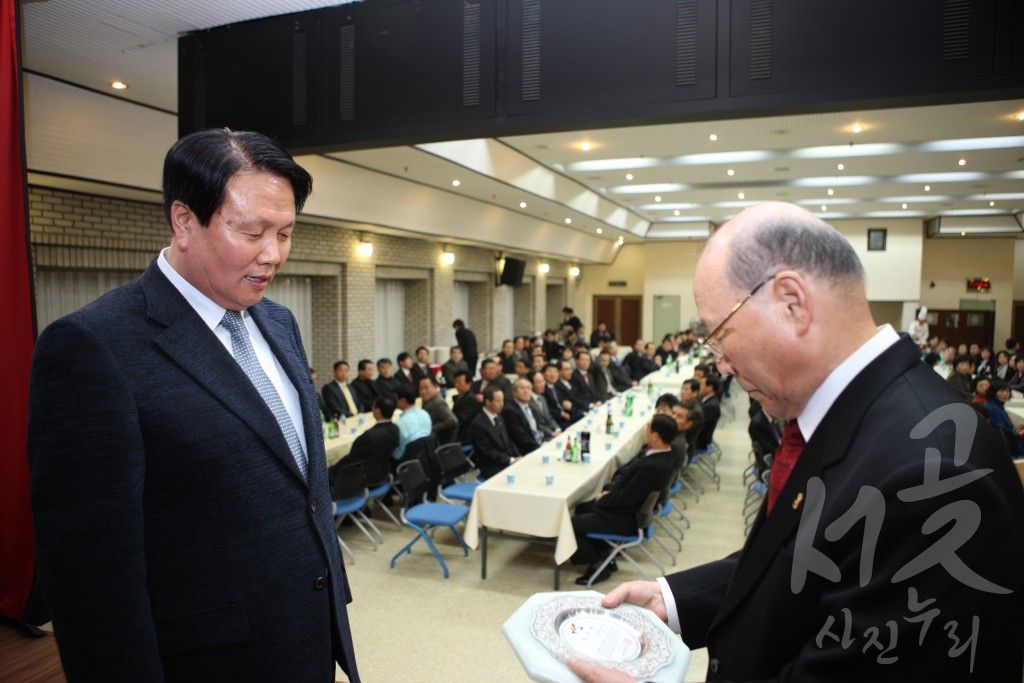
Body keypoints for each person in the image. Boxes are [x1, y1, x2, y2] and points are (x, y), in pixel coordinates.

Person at [569, 202, 1024, 683]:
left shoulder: (933, 472)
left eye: (719, 334)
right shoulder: (847, 415)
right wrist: (674, 598)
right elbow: (798, 560)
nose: (720, 363)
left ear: (792, 303)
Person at [27, 129, 360, 681]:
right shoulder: (92, 347)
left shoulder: (278, 322)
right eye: (251, 232)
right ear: (184, 221)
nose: (273, 255)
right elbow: (91, 578)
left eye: (285, 233)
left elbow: (298, 487)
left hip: (306, 637)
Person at [569, 414, 678, 586]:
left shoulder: (652, 466)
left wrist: (602, 499)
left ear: (656, 435)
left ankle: (597, 564)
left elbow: (625, 499)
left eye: (648, 428)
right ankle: (606, 554)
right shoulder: (665, 456)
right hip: (628, 509)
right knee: (582, 507)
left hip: (626, 519)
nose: (646, 431)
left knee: (573, 524)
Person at [470, 386, 521, 479]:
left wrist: (517, 456)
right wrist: (510, 460)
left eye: (503, 400)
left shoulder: (499, 416)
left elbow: (507, 441)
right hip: (492, 466)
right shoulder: (478, 424)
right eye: (498, 401)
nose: (502, 404)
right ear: (488, 402)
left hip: (506, 459)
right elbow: (488, 452)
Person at [335, 396, 399, 470]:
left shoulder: (368, 437)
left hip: (366, 474)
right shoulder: (396, 429)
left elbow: (351, 460)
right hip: (384, 470)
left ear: (378, 411)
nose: (372, 408)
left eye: (373, 406)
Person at [502, 378, 543, 454]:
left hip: (539, 444)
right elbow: (520, 438)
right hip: (525, 451)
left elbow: (539, 427)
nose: (526, 391)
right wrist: (539, 446)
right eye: (522, 388)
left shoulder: (532, 406)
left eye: (528, 388)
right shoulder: (510, 410)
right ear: (514, 392)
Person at [419, 375, 458, 445]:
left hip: (440, 443)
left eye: (426, 388)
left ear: (435, 387)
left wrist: (431, 428)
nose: (423, 391)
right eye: (421, 389)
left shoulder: (439, 403)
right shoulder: (427, 400)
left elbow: (452, 421)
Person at [529, 370, 562, 440]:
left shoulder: (542, 398)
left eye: (543, 381)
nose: (543, 384)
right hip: (542, 436)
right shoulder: (528, 401)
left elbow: (549, 417)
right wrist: (551, 433)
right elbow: (538, 423)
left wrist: (557, 428)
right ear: (531, 384)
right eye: (539, 382)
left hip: (551, 432)